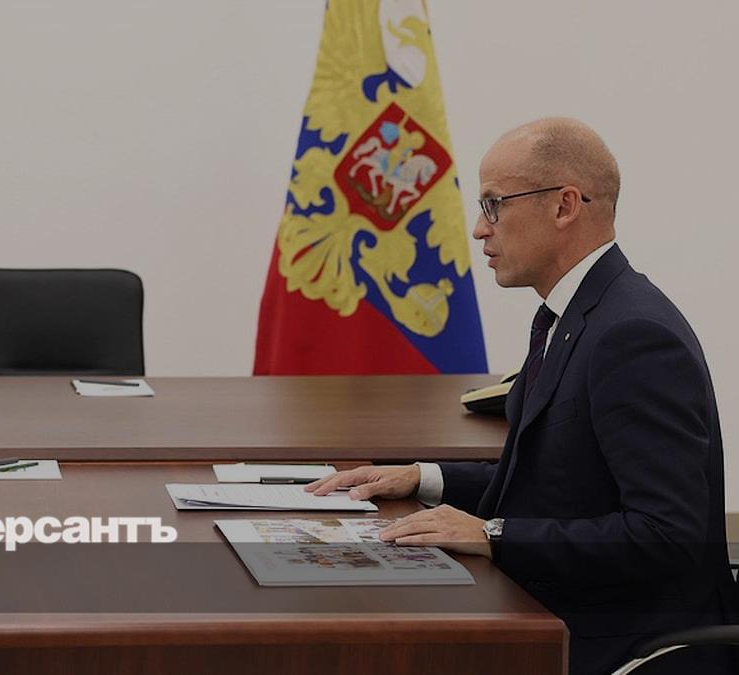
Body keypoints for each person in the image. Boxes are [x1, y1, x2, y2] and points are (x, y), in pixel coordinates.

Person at [307, 118, 735, 674]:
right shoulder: (571, 315)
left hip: (626, 643)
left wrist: (492, 533)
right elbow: (558, 480)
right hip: (557, 611)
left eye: (494, 205)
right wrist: (422, 477)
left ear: (564, 206)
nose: (479, 230)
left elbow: (666, 536)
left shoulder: (633, 335)